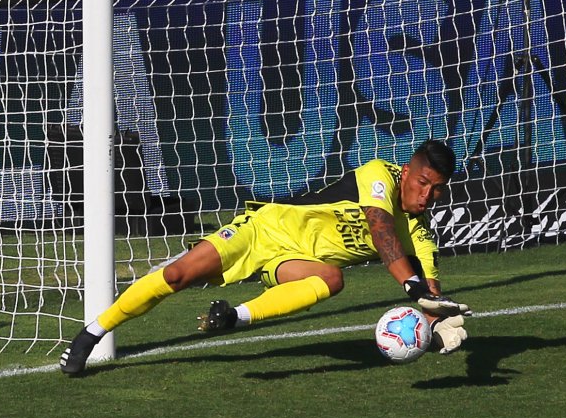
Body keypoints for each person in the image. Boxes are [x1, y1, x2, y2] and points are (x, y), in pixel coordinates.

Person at [60, 139, 471, 376]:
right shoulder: (379, 174)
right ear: (408, 171)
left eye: (437, 190)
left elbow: (428, 288)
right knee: (176, 275)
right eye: (422, 184)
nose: (428, 195)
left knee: (332, 279)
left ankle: (232, 318)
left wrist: (434, 319)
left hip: (292, 264)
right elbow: (381, 229)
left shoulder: (419, 231)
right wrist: (412, 285)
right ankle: (91, 333)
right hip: (263, 230)